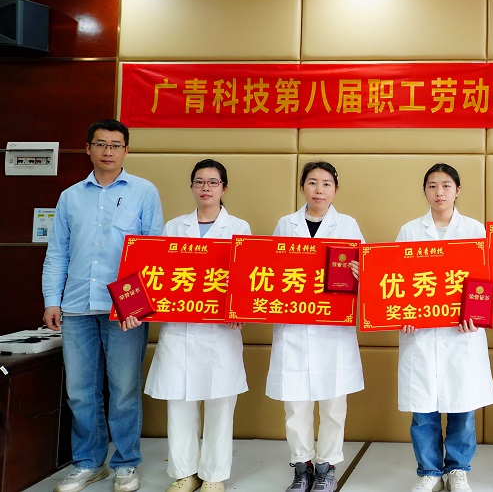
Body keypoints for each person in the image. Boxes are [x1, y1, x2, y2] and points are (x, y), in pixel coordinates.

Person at [41, 120, 164, 492]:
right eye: (101, 144)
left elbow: (152, 253)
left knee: (124, 389)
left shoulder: (144, 191)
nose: (108, 151)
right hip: (77, 305)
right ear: (88, 148)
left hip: (123, 309)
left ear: (126, 150)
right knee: (80, 390)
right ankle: (89, 463)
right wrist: (52, 300)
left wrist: (136, 307)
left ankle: (126, 463)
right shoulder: (70, 196)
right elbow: (58, 253)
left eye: (115, 145)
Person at [124, 159, 251, 492]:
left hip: (221, 332)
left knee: (220, 404)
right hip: (180, 330)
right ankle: (184, 473)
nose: (205, 188)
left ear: (224, 188)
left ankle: (214, 475)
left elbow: (247, 277)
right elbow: (155, 274)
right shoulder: (173, 227)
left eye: (213, 182)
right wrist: (133, 308)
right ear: (192, 187)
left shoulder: (239, 227)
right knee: (179, 402)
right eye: (199, 182)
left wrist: (240, 308)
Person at [395, 164, 493, 492]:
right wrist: (402, 313)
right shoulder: (410, 231)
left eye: (446, 185)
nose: (439, 192)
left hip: (461, 334)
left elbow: (484, 281)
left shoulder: (474, 230)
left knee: (462, 406)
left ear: (458, 190)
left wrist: (476, 316)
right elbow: (395, 280)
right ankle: (429, 471)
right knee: (423, 408)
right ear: (425, 191)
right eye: (432, 186)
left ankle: (458, 469)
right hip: (421, 334)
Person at [267, 161, 365, 492]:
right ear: (302, 187)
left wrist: (360, 271)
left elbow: (367, 274)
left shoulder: (347, 225)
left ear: (335, 189)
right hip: (294, 326)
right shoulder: (286, 224)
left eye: (326, 184)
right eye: (312, 182)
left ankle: (326, 466)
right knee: (295, 404)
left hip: (332, 329)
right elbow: (271, 270)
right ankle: (302, 465)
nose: (319, 190)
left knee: (333, 403)